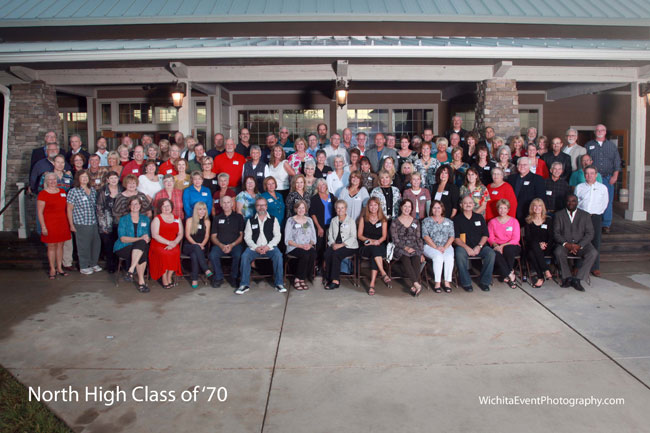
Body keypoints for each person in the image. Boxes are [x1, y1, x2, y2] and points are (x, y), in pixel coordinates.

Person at [237, 197, 286, 295]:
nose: (261, 207)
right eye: (259, 205)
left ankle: (279, 283)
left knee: (278, 255)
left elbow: (277, 236)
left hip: (270, 248)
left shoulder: (273, 219)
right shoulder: (250, 221)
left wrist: (268, 247)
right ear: (256, 207)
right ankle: (244, 284)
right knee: (245, 256)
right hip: (254, 248)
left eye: (263, 205)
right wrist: (256, 248)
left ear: (266, 206)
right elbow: (247, 237)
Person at [553, 194, 598, 292]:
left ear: (577, 202)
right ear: (565, 202)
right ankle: (567, 278)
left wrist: (580, 245)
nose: (571, 203)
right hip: (565, 245)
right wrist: (566, 244)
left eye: (573, 201)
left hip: (581, 245)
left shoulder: (585, 215)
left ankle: (577, 279)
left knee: (593, 253)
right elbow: (556, 233)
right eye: (568, 201)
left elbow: (590, 233)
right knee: (558, 252)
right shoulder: (559, 215)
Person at [453, 195, 495, 292]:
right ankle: (466, 283)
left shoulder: (479, 217)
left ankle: (484, 282)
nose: (468, 205)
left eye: (470, 203)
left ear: (473, 205)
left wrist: (479, 246)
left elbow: (485, 235)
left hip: (479, 247)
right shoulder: (457, 219)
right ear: (461, 205)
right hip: (463, 247)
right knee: (459, 254)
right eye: (465, 203)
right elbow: (456, 238)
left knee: (491, 253)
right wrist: (467, 248)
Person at [586, 124, 621, 234]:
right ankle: (590, 222)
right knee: (591, 199)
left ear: (605, 132)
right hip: (593, 178)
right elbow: (585, 161)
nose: (599, 131)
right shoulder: (588, 145)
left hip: (607, 178)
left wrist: (615, 176)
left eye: (602, 130)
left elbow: (617, 162)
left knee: (608, 201)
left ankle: (606, 224)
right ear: (595, 132)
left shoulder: (611, 146)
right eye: (597, 130)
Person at [65, 170, 101, 275]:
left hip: (93, 222)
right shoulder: (73, 191)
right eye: (82, 177)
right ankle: (84, 266)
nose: (84, 179)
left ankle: (93, 263)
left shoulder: (93, 190)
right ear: (78, 179)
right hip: (81, 223)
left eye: (86, 177)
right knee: (83, 246)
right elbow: (69, 209)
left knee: (96, 244)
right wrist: (71, 224)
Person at [37, 172, 72, 279]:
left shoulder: (62, 192)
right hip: (49, 223)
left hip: (62, 223)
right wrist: (43, 226)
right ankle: (52, 268)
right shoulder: (43, 194)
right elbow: (40, 212)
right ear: (46, 182)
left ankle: (60, 268)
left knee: (60, 245)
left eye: (54, 179)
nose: (52, 182)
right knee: (51, 246)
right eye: (50, 180)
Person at [575, 166, 608, 277]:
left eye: (592, 173)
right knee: (580, 240)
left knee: (595, 241)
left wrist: (597, 213)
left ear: (596, 174)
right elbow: (576, 203)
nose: (589, 176)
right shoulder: (579, 187)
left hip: (595, 217)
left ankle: (595, 267)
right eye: (587, 173)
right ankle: (577, 266)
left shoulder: (602, 188)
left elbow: (604, 203)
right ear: (584, 175)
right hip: (582, 217)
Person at [114, 196, 151, 292]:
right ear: (129, 206)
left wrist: (146, 238)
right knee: (142, 248)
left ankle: (130, 271)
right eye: (132, 204)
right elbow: (122, 239)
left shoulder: (145, 219)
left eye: (137, 204)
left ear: (140, 205)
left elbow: (148, 236)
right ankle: (141, 282)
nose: (135, 206)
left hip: (139, 247)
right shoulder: (123, 219)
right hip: (123, 247)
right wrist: (140, 238)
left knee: (142, 245)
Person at [209, 195, 245, 289]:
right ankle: (218, 277)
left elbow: (241, 236)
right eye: (224, 202)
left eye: (228, 202)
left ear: (232, 204)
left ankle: (234, 277)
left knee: (238, 255)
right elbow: (213, 236)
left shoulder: (238, 217)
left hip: (235, 245)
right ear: (221, 204)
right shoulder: (216, 218)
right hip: (220, 245)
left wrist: (232, 245)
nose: (226, 204)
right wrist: (221, 245)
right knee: (213, 255)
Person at [391, 199, 425, 296]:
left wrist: (421, 252)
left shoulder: (416, 221)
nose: (407, 208)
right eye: (405, 206)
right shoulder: (395, 222)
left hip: (414, 246)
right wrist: (405, 248)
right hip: (400, 247)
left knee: (416, 258)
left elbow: (418, 238)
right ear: (401, 207)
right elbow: (395, 239)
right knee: (405, 258)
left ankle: (415, 285)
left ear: (412, 209)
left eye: (409, 207)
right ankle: (416, 283)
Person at [323, 200, 358, 290]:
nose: (340, 210)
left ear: (346, 209)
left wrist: (340, 245)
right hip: (335, 244)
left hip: (348, 246)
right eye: (338, 208)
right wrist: (333, 244)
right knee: (327, 253)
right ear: (335, 209)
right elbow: (330, 235)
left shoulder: (351, 221)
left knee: (336, 254)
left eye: (342, 208)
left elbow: (353, 236)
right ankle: (328, 278)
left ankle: (335, 280)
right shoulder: (333, 220)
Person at [357, 197, 390, 294]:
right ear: (368, 207)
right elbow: (359, 235)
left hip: (379, 245)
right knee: (374, 251)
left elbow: (384, 236)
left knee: (375, 253)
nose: (373, 207)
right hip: (365, 245)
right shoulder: (363, 218)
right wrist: (370, 241)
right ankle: (383, 273)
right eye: (371, 205)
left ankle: (372, 284)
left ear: (379, 206)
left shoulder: (383, 219)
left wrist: (377, 241)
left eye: (375, 205)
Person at [149, 199, 183, 289]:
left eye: (168, 205)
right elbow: (155, 235)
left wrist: (174, 243)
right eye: (164, 206)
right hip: (159, 243)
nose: (166, 208)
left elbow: (180, 234)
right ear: (160, 208)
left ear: (171, 207)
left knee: (175, 253)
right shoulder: (157, 219)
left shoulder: (177, 218)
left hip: (173, 243)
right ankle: (164, 277)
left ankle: (169, 275)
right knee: (164, 254)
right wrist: (168, 243)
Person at [422, 200, 455, 293]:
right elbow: (425, 236)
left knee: (449, 257)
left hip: (446, 245)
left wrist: (444, 247)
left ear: (442, 209)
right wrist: (436, 247)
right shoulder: (426, 221)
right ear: (431, 209)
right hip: (430, 246)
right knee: (438, 257)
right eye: (434, 208)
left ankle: (447, 282)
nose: (436, 210)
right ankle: (437, 283)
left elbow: (452, 236)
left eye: (438, 208)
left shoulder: (449, 221)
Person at [487, 199, 521, 289]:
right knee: (495, 253)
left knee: (508, 249)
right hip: (497, 245)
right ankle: (510, 274)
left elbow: (516, 238)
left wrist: (503, 246)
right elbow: (490, 237)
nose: (502, 210)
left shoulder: (514, 221)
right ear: (497, 209)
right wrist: (496, 246)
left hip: (512, 245)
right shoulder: (492, 222)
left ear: (508, 209)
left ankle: (506, 274)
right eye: (500, 208)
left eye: (505, 208)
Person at [284, 200, 317, 290]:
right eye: (299, 208)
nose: (301, 210)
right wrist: (300, 246)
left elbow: (313, 237)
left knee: (313, 253)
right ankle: (298, 279)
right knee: (305, 254)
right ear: (295, 209)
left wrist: (310, 245)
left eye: (303, 208)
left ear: (305, 209)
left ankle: (304, 277)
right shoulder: (290, 221)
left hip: (307, 245)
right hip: (294, 246)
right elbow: (287, 240)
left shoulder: (309, 220)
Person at [183, 202, 213, 288]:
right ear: (196, 210)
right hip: (189, 246)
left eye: (204, 209)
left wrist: (202, 245)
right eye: (200, 209)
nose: (202, 211)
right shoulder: (190, 220)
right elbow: (187, 235)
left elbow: (207, 235)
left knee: (195, 255)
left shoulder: (207, 221)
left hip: (201, 247)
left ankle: (194, 279)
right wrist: (197, 245)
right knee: (195, 249)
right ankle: (205, 269)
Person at [524, 198, 554, 288]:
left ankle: (541, 277)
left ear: (543, 207)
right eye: (535, 206)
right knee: (533, 246)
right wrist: (538, 245)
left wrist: (545, 245)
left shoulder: (548, 220)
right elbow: (528, 237)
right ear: (532, 208)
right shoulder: (528, 220)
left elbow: (551, 236)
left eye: (540, 206)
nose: (537, 208)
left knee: (532, 253)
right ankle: (545, 271)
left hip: (546, 248)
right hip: (532, 246)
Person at [96, 171, 122, 274]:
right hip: (107, 223)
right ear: (107, 180)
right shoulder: (103, 191)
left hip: (119, 222)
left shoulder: (122, 189)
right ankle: (110, 265)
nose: (113, 180)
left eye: (115, 178)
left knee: (119, 243)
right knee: (109, 245)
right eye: (111, 178)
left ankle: (119, 264)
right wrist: (103, 226)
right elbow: (99, 208)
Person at [309, 178, 337, 273]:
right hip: (320, 226)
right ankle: (317, 267)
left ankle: (326, 266)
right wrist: (318, 227)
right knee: (320, 246)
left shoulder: (332, 196)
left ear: (326, 186)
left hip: (331, 226)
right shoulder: (314, 198)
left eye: (323, 185)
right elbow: (312, 213)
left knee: (328, 246)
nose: (322, 187)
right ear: (317, 187)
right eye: (320, 185)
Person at [507, 157, 545, 224]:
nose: (522, 166)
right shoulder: (511, 178)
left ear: (529, 166)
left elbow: (540, 198)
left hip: (528, 214)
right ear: (517, 166)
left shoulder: (537, 179)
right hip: (512, 213)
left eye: (525, 165)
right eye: (520, 164)